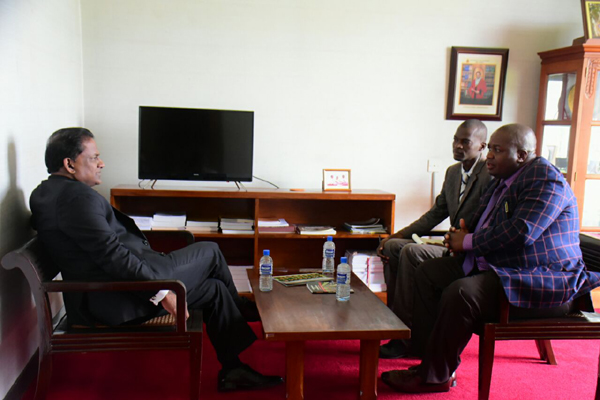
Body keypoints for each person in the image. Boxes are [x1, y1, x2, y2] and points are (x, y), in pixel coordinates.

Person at [29, 128, 283, 392]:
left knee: (214, 289)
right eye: (94, 158)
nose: (101, 163)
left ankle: (233, 369)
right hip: (117, 296)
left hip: (111, 287)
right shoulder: (76, 198)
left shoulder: (44, 193)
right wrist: (162, 293)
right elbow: (112, 256)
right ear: (69, 164)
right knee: (210, 251)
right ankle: (241, 308)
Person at [381, 123, 600, 393]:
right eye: (491, 150)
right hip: (504, 268)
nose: (490, 156)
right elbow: (484, 223)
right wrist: (461, 236)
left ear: (521, 155)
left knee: (461, 292)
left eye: (497, 150)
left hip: (540, 281)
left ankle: (434, 377)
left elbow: (522, 231)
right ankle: (429, 360)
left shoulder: (545, 180)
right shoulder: (503, 180)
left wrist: (468, 241)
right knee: (428, 272)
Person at [376, 119, 491, 359]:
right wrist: (395, 235)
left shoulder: (489, 175)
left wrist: (464, 240)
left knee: (412, 252)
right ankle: (398, 327)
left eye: (465, 142)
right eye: (455, 140)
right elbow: (436, 214)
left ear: (482, 146)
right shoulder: (453, 172)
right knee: (394, 246)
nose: (458, 146)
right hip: (450, 245)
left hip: (469, 251)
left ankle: (408, 339)